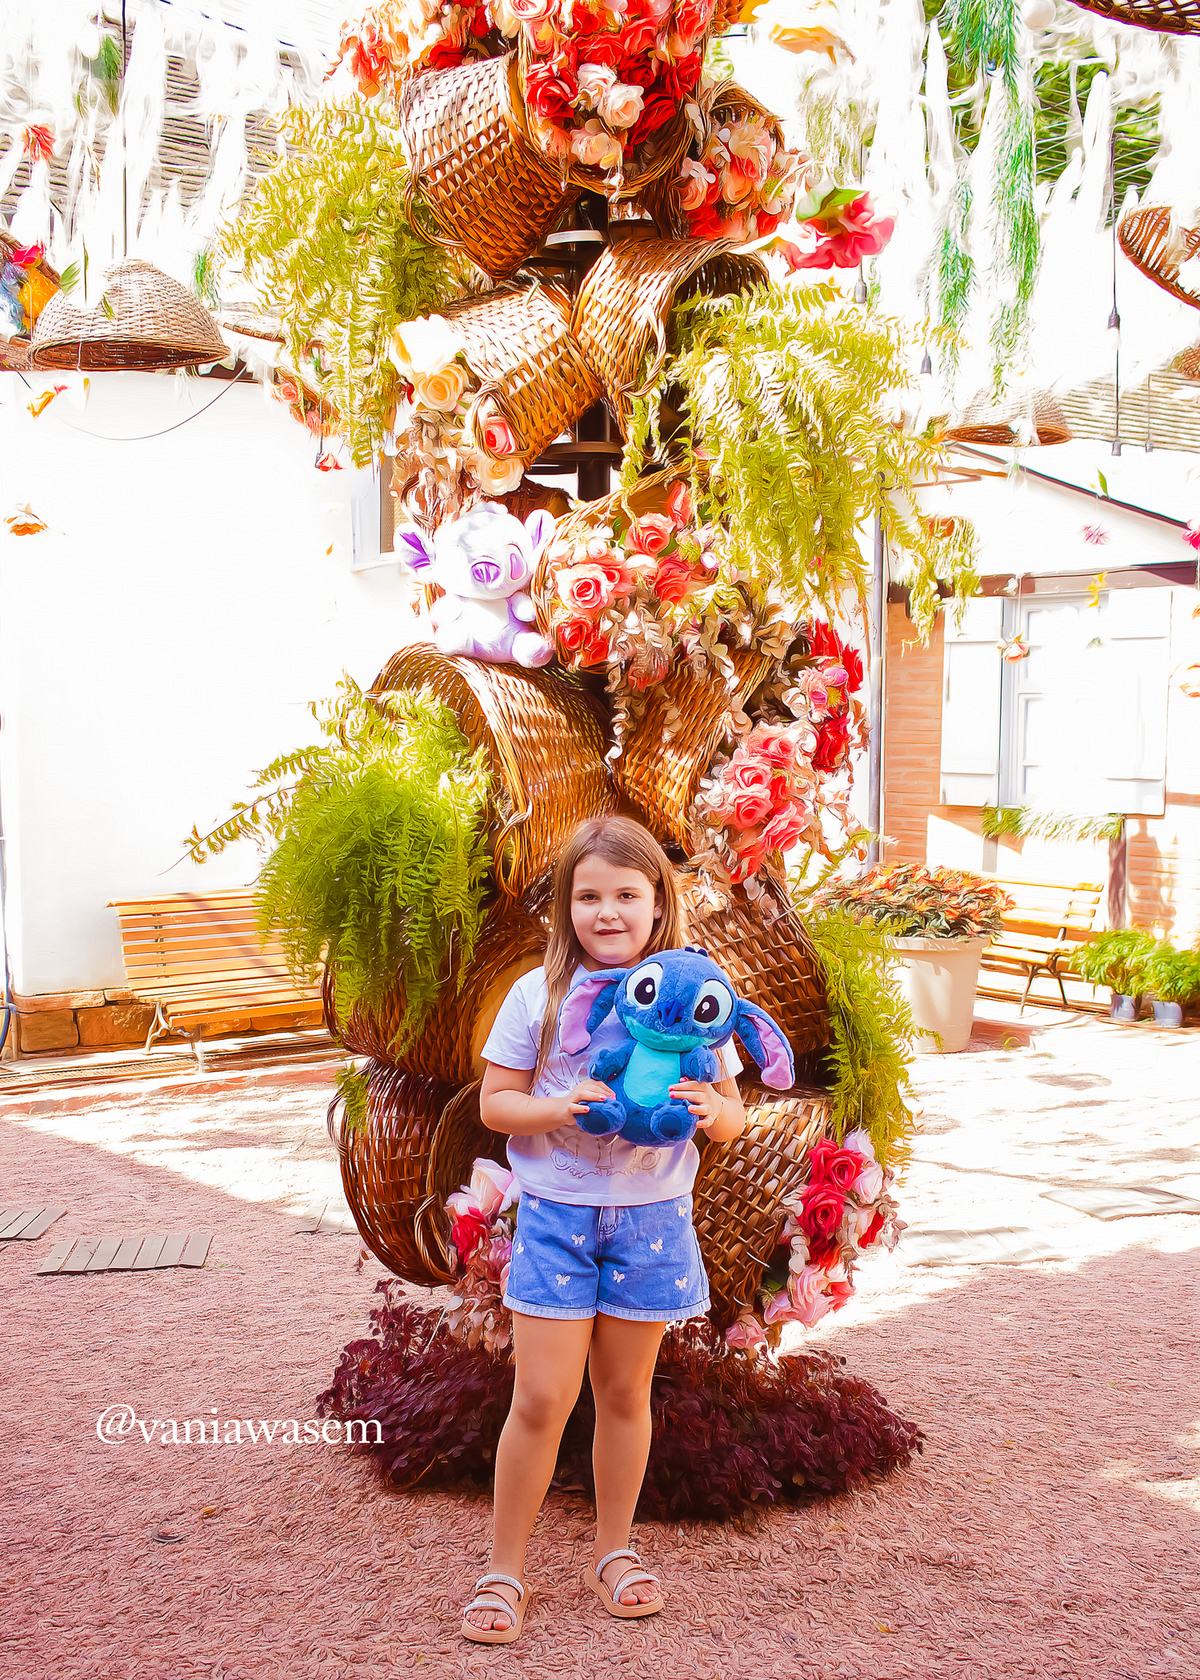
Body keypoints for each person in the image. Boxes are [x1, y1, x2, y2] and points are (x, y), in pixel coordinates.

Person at [460, 815, 748, 1645]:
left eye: (627, 894)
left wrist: (711, 1113)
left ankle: (612, 1552)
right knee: (543, 1396)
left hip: (652, 1222)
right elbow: (495, 1102)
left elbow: (730, 1114)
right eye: (589, 896)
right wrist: (561, 1107)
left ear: (658, 906)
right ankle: (504, 1568)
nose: (608, 911)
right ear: (567, 907)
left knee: (624, 1394)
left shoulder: (695, 997)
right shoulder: (536, 994)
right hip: (556, 1219)